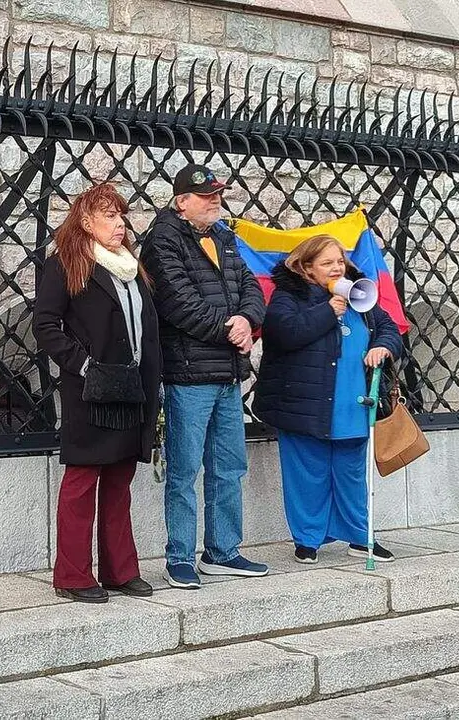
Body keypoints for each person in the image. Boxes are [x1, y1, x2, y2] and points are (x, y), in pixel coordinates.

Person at [139, 164, 269, 590]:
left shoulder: (224, 237)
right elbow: (177, 302)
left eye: (218, 194)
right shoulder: (162, 239)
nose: (215, 200)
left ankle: (222, 551)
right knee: (184, 470)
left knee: (229, 466)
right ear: (182, 202)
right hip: (190, 373)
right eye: (206, 195)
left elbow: (251, 287)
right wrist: (229, 329)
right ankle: (179, 556)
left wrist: (248, 320)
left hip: (229, 371)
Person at [33, 183, 161, 603]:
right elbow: (46, 325)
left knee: (120, 478)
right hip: (91, 389)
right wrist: (85, 364)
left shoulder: (131, 267)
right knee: (83, 479)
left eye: (121, 216)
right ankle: (72, 575)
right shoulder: (66, 264)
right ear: (85, 222)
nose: (119, 224)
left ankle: (120, 570)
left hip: (133, 387)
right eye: (109, 216)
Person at [253, 234, 404, 564]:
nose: (337, 268)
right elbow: (284, 333)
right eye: (327, 263)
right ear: (307, 269)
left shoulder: (359, 294)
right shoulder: (288, 296)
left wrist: (384, 346)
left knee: (350, 473)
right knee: (308, 472)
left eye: (340, 261)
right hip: (305, 403)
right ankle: (308, 539)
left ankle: (360, 536)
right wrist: (326, 311)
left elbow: (388, 327)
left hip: (353, 402)